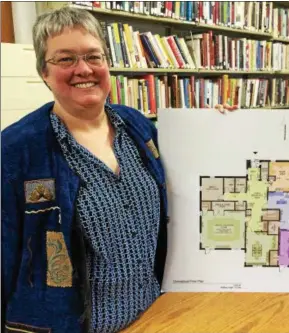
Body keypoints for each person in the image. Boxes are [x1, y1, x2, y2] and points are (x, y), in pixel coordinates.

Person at [1, 6, 237, 333]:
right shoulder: (17, 150)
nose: (83, 69)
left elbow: (186, 180)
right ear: (44, 72)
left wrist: (218, 127)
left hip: (158, 316)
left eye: (93, 56)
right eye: (65, 59)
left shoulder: (137, 126)